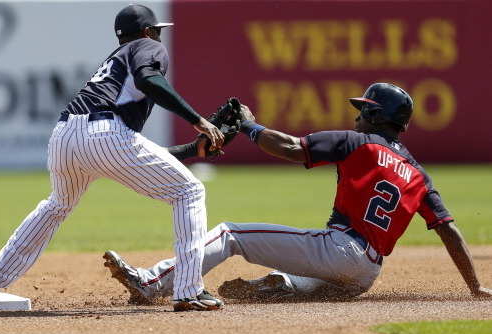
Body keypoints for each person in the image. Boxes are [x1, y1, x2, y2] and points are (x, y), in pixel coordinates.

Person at [103, 83, 492, 303]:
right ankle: (283, 284)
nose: (357, 115)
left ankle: (151, 282)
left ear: (376, 116)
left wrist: (249, 127)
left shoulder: (360, 143)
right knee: (310, 275)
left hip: (340, 250)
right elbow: (449, 231)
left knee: (230, 234)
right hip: (366, 274)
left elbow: (290, 148)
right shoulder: (419, 175)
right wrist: (475, 287)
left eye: (363, 110)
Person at [0, 4, 225, 312]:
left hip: (65, 134)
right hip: (105, 132)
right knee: (189, 192)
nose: (159, 36)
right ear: (145, 32)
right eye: (157, 30)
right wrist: (198, 120)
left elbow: (122, 155)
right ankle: (188, 290)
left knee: (56, 205)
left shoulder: (114, 60)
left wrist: (190, 150)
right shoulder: (145, 46)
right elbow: (146, 81)